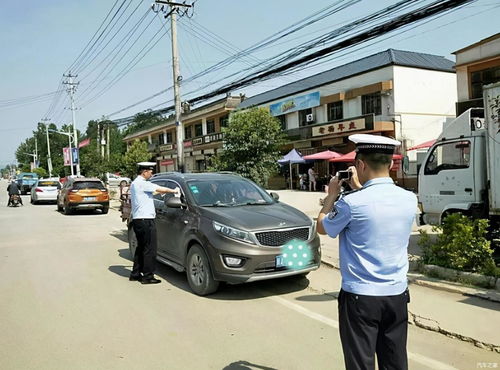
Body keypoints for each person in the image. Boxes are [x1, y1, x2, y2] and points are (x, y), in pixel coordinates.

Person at [316, 134, 417, 370]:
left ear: (360, 164)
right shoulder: (409, 199)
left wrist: (332, 194)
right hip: (396, 294)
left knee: (360, 363)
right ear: (390, 164)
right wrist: (359, 188)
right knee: (395, 360)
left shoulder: (350, 203)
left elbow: (322, 227)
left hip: (360, 298)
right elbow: (378, 206)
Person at [129, 162, 179, 284]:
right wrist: (174, 190)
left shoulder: (136, 183)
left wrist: (164, 192)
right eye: (150, 171)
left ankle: (135, 273)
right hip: (145, 220)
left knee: (141, 248)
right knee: (149, 249)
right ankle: (147, 276)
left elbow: (154, 192)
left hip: (139, 220)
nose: (152, 173)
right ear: (144, 172)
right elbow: (158, 188)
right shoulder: (142, 183)